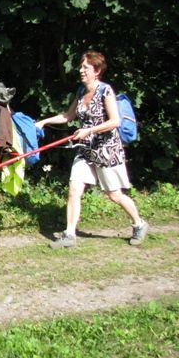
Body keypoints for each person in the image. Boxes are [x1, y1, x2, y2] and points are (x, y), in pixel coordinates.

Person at [35, 50, 148, 249]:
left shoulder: (106, 91)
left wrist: (89, 130)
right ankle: (69, 234)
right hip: (85, 150)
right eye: (81, 67)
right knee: (74, 189)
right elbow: (68, 116)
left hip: (106, 150)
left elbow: (115, 121)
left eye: (85, 67)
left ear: (97, 71)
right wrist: (43, 122)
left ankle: (139, 224)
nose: (81, 70)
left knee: (114, 195)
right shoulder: (80, 92)